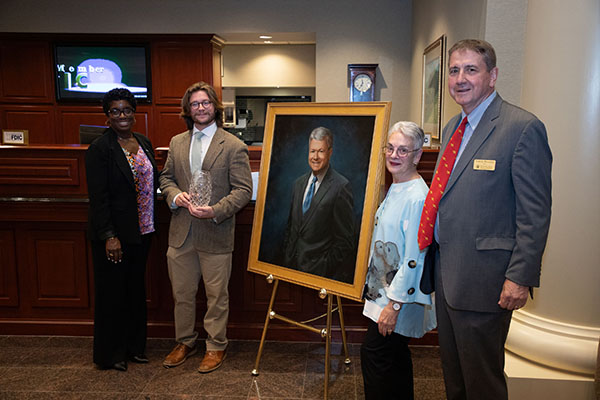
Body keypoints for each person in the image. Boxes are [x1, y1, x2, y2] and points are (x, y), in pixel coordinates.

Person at [417, 39, 552, 399]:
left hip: (486, 282)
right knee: (454, 376)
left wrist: (519, 278)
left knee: (483, 382)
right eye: (454, 70)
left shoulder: (521, 128)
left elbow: (534, 214)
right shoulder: (452, 128)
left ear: (492, 76)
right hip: (446, 274)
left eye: (471, 70)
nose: (460, 78)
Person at [159, 81, 252, 373]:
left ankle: (215, 346)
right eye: (195, 104)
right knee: (182, 294)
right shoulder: (176, 142)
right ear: (188, 109)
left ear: (215, 107)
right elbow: (166, 179)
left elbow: (242, 190)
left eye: (206, 103)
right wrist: (175, 196)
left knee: (216, 296)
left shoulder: (234, 146)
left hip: (216, 231)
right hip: (181, 233)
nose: (201, 108)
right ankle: (184, 341)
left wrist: (215, 210)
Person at [360, 121, 436, 399]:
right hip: (383, 292)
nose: (394, 155)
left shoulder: (417, 197)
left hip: (398, 298)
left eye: (403, 150)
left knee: (374, 355)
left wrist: (393, 306)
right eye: (390, 148)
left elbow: (415, 258)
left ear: (417, 156)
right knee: (395, 358)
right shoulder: (397, 185)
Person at [85, 88, 158, 371]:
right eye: (115, 111)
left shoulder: (143, 142)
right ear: (107, 116)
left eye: (126, 109)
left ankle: (134, 347)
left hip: (143, 231)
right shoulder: (100, 149)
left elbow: (152, 179)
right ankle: (111, 354)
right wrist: (109, 236)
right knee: (111, 294)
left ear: (134, 113)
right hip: (114, 236)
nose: (122, 115)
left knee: (134, 291)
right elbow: (99, 198)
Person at [282, 126, 356, 283]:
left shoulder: (341, 187)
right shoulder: (298, 184)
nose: (315, 157)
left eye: (321, 151)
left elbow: (344, 241)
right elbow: (292, 228)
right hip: (291, 269)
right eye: (312, 151)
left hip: (319, 275)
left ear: (330, 152)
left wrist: (324, 268)